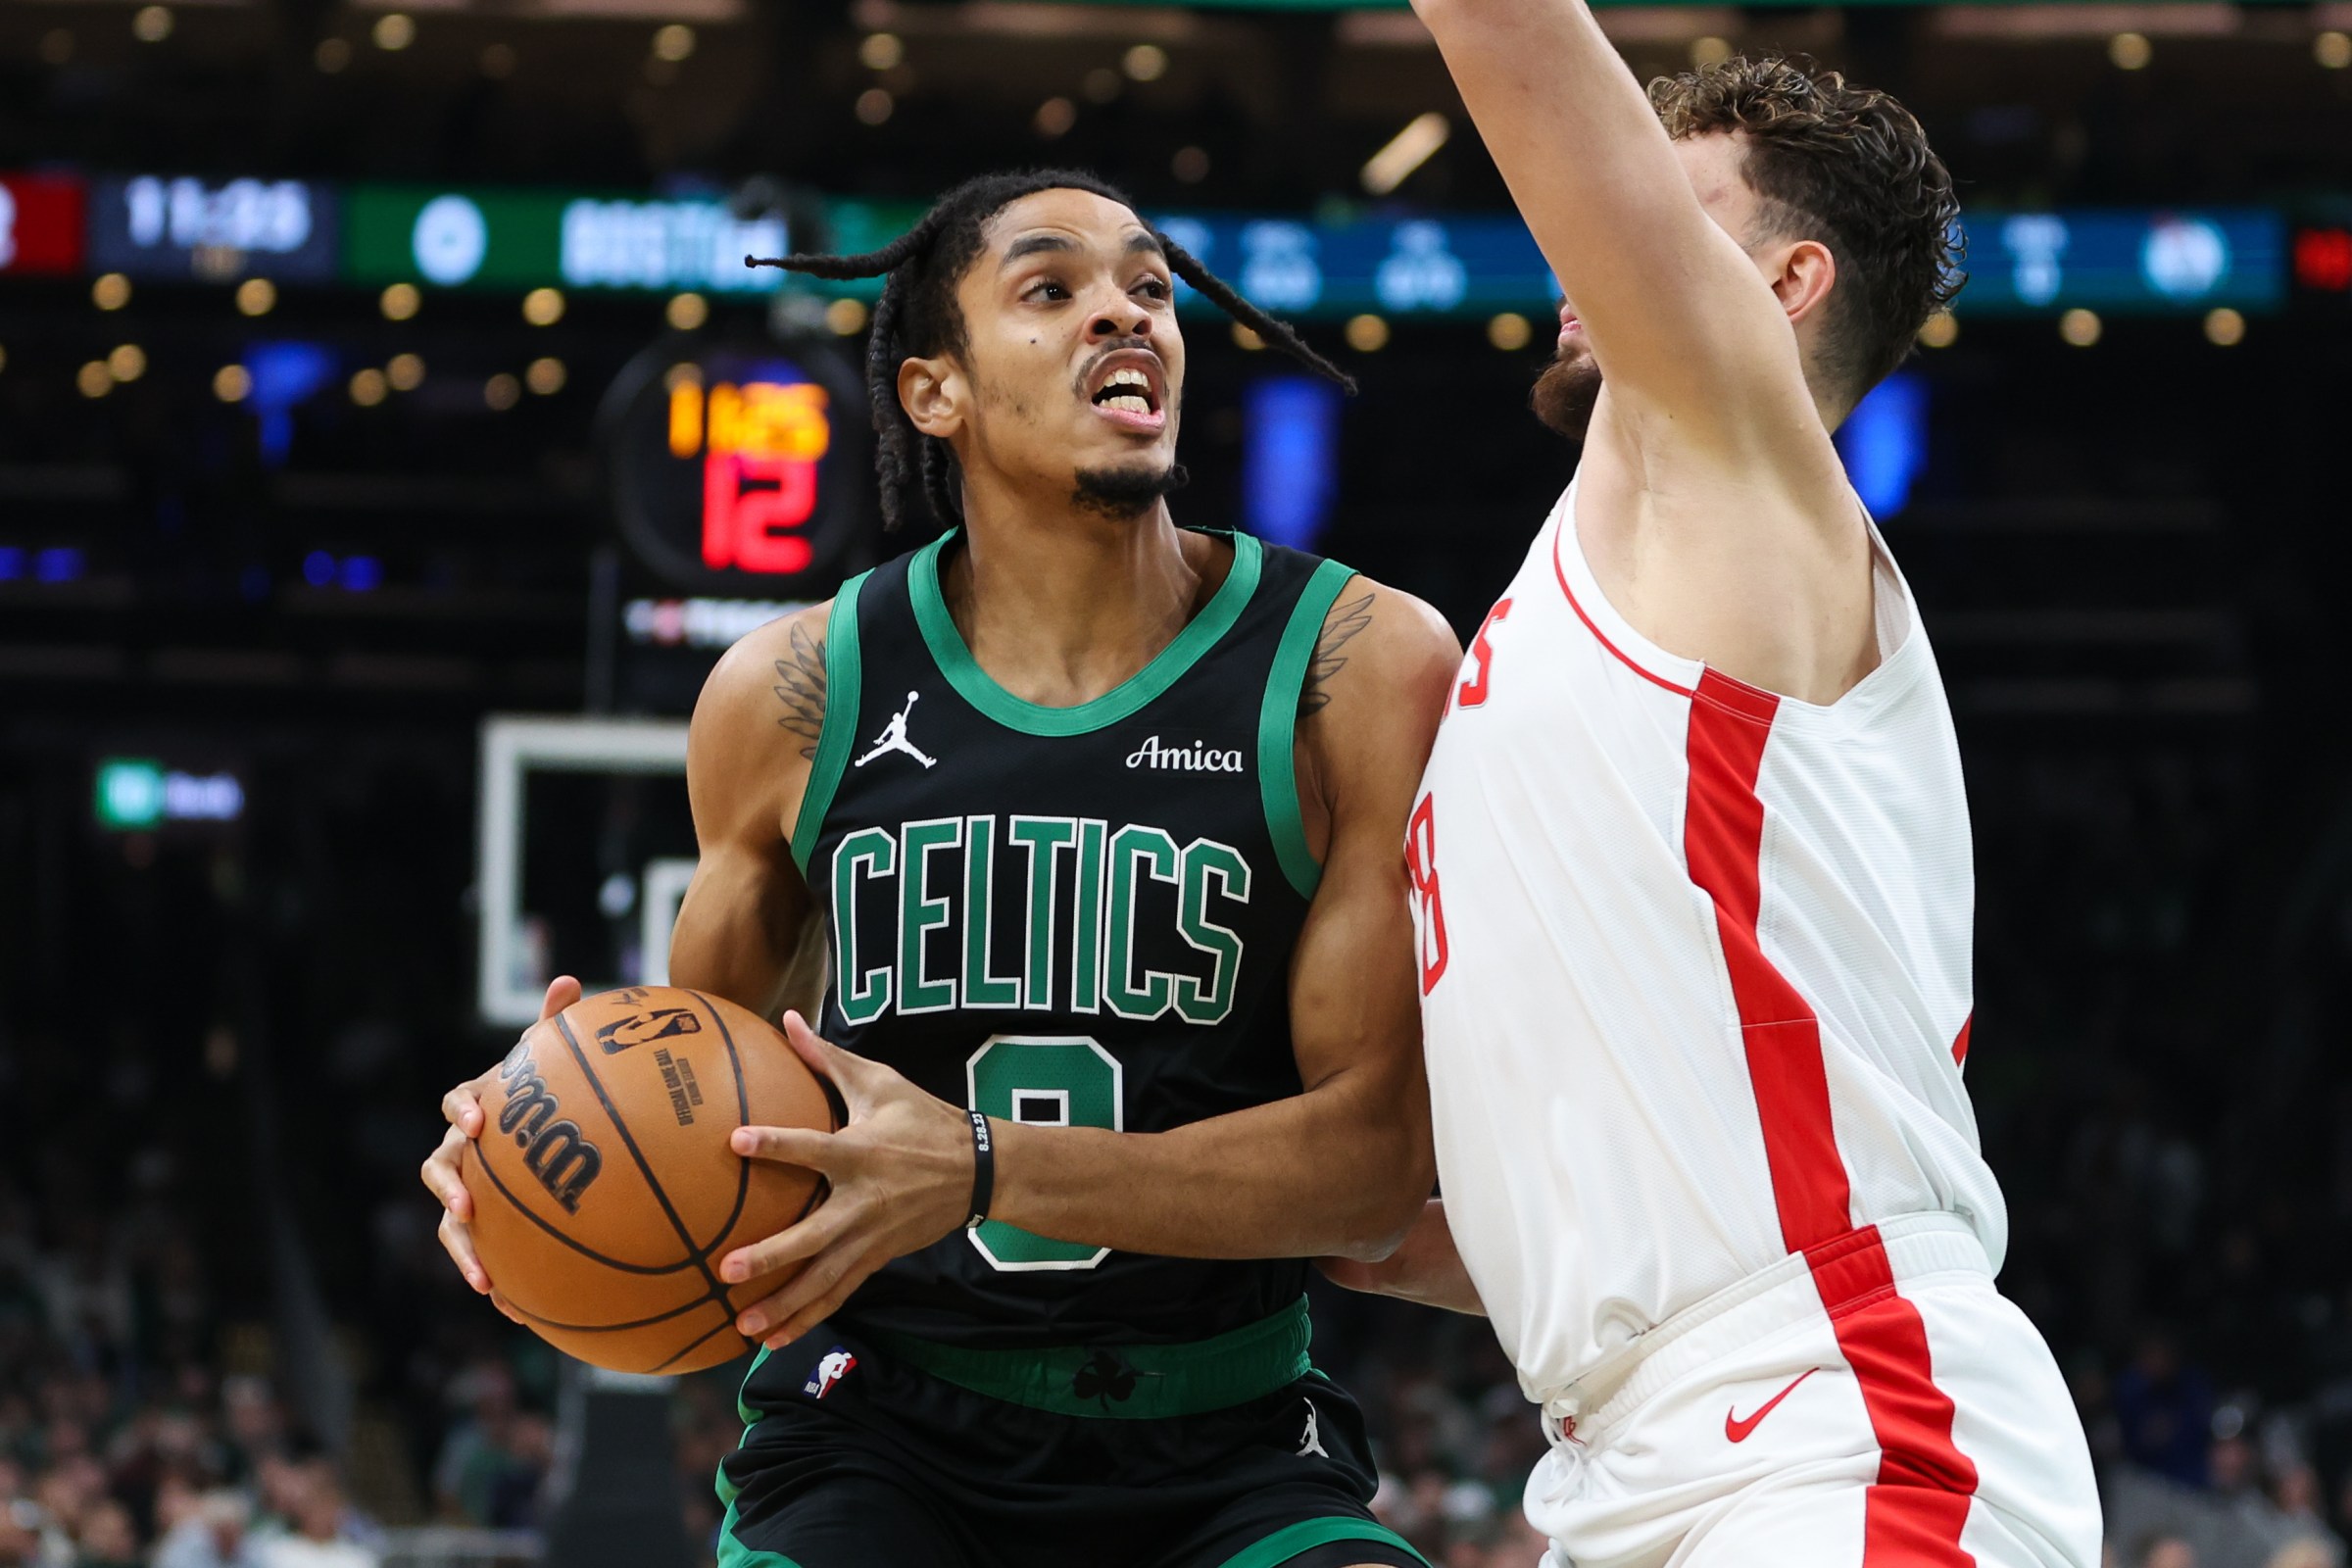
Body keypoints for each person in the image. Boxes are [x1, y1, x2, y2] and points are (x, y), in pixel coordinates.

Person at [422, 168, 1461, 1568]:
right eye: (1051, 289)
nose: (1123, 314)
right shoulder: (789, 693)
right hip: (878, 1435)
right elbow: (713, 1130)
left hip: (1227, 1441)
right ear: (933, 393)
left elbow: (1373, 1166)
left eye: (1148, 287)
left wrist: (976, 1167)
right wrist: (540, 1136)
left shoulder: (1356, 664)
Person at [1319, 17, 2104, 1568]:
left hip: (1837, 1424)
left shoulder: (1737, 451)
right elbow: (1522, 1226)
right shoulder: (1596, 623)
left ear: (1782, 288)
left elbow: (1512, 35)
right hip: (1640, 1445)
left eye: (1665, 212)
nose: (1584, 248)